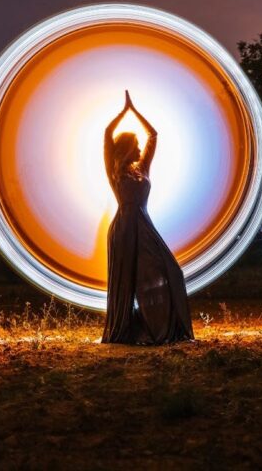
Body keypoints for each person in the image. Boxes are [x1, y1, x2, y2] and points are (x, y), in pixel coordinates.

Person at [101, 90, 195, 344]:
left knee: (170, 271)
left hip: (144, 224)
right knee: (129, 282)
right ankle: (137, 331)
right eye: (137, 145)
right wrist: (123, 112)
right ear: (127, 149)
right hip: (124, 228)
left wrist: (135, 111)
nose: (141, 148)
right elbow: (108, 136)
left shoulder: (142, 168)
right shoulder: (114, 171)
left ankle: (159, 328)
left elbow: (153, 135)